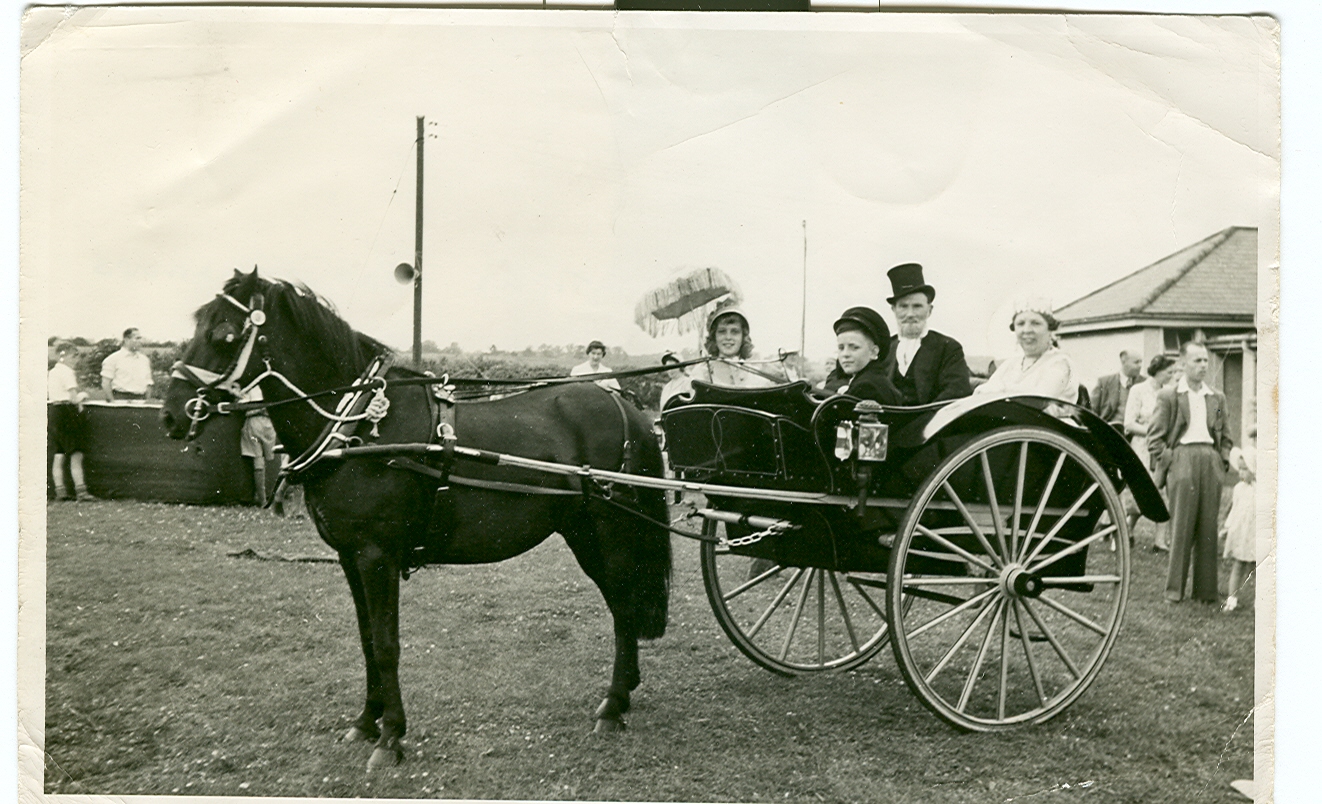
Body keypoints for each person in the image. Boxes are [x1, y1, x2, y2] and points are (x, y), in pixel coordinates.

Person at [1147, 341, 1234, 605]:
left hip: (1210, 460)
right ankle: (1174, 591)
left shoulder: (1216, 397)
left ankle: (1205, 592)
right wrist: (1170, 461)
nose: (1203, 365)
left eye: (1205, 360)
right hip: (1182, 459)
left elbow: (1225, 435)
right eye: (1197, 360)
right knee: (1181, 527)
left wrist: (1222, 461)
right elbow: (1155, 438)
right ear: (1183, 363)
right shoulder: (1169, 396)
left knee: (1208, 526)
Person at [881, 263, 972, 405]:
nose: (910, 314)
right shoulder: (884, 348)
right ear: (894, 310)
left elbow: (957, 391)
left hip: (932, 418)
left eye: (917, 306)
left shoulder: (948, 348)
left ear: (929, 310)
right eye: (903, 306)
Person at [1124, 354, 1179, 551]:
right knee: (1144, 493)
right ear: (1157, 371)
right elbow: (1129, 424)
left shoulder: (1171, 392)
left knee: (1162, 492)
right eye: (1169, 372)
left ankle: (1159, 541)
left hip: (1162, 449)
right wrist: (1154, 432)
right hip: (1142, 448)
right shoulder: (1138, 390)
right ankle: (1127, 529)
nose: (1172, 376)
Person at [974, 298, 1077, 402]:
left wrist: (998, 389)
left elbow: (1038, 399)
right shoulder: (1010, 364)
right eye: (1021, 323)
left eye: (1035, 323)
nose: (1027, 330)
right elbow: (980, 394)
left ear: (1050, 329)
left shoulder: (1060, 363)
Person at [822, 307, 903, 405]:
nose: (845, 354)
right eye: (841, 348)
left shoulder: (867, 387)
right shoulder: (871, 380)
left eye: (854, 347)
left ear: (873, 352)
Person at [688, 304, 780, 389]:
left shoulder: (755, 373)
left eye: (735, 332)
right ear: (714, 336)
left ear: (743, 336)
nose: (728, 337)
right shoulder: (701, 373)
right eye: (722, 331)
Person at [48, 341, 91, 501]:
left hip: (55, 412)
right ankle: (81, 491)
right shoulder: (67, 372)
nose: (76, 360)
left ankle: (60, 491)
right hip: (67, 412)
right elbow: (73, 398)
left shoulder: (53, 372)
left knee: (59, 453)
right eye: (74, 356)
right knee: (76, 452)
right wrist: (83, 395)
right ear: (63, 356)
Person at [1220, 427, 1256, 613]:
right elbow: (1233, 511)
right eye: (1240, 469)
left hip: (1255, 534)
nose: (1241, 473)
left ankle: (1260, 601)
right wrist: (1227, 528)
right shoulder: (1238, 489)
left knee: (1257, 567)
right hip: (1241, 534)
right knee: (1238, 565)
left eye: (1245, 469)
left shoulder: (1261, 490)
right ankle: (1231, 599)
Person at [238, 387, 279, 506]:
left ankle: (263, 500)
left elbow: (242, 403)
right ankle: (264, 498)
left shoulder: (251, 387)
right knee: (262, 461)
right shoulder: (271, 386)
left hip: (257, 422)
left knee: (258, 461)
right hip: (268, 423)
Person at [1092, 350, 1145, 430]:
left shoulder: (1145, 383)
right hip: (1109, 431)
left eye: (1141, 362)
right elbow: (1092, 411)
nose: (1140, 365)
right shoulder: (1104, 382)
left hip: (1137, 432)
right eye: (1136, 362)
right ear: (1123, 362)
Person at [100, 327, 154, 400]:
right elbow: (106, 383)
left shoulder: (144, 360)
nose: (140, 341)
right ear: (126, 340)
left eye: (140, 338)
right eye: (137, 338)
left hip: (140, 399)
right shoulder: (112, 359)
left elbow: (148, 382)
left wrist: (147, 401)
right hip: (120, 398)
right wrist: (112, 402)